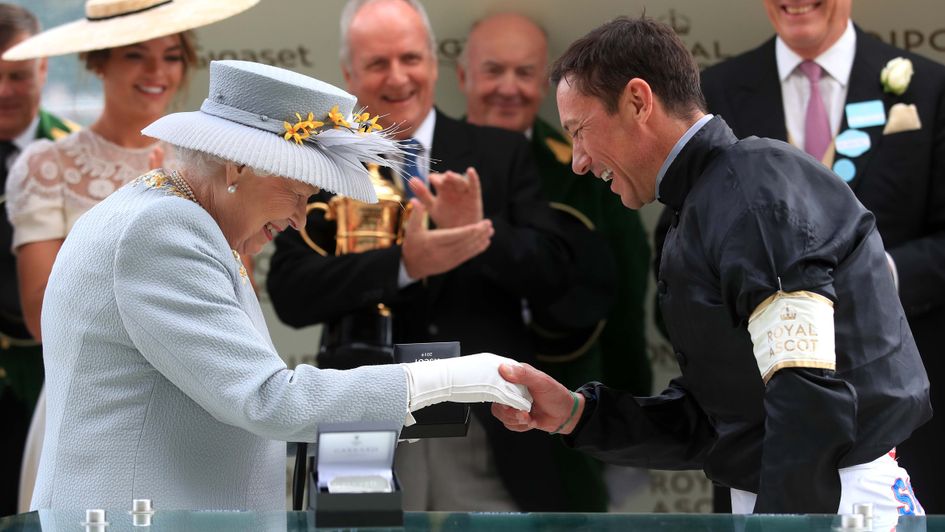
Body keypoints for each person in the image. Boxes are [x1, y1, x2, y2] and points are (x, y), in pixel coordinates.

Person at [28, 58, 532, 511]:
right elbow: (268, 400)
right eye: (295, 193)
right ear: (237, 166)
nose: (298, 220)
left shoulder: (175, 216)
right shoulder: (164, 230)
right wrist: (448, 378)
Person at [492, 16, 931, 517]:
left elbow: (809, 397)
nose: (578, 161)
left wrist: (778, 528)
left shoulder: (751, 190)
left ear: (638, 101)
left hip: (834, 504)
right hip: (802, 499)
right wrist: (576, 413)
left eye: (579, 131)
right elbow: (718, 421)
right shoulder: (712, 198)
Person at [268, 0, 574, 512]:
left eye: (410, 58)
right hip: (361, 415)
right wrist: (405, 265)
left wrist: (478, 236)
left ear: (433, 62)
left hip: (486, 421)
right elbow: (290, 293)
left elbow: (558, 278)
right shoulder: (320, 163)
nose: (397, 78)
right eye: (376, 63)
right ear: (348, 72)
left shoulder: (498, 152)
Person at [651, 0, 945, 512]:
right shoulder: (714, 92)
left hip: (892, 424)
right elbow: (677, 245)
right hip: (761, 430)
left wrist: (876, 275)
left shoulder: (929, 87)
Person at [1, 0, 260, 513]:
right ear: (99, 62)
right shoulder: (47, 163)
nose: (156, 72)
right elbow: (38, 315)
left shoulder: (214, 169)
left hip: (201, 401)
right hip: (93, 407)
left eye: (171, 55)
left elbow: (233, 295)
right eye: (135, 56)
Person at [457, 12, 651, 512]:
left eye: (524, 73)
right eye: (493, 70)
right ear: (461, 77)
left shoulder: (585, 168)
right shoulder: (425, 163)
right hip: (447, 432)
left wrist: (629, 426)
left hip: (560, 432)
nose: (509, 88)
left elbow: (625, 308)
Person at [0, 3, 78, 517]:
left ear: (44, 69)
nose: (4, 91)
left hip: (54, 381)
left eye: (18, 76)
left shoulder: (72, 151)